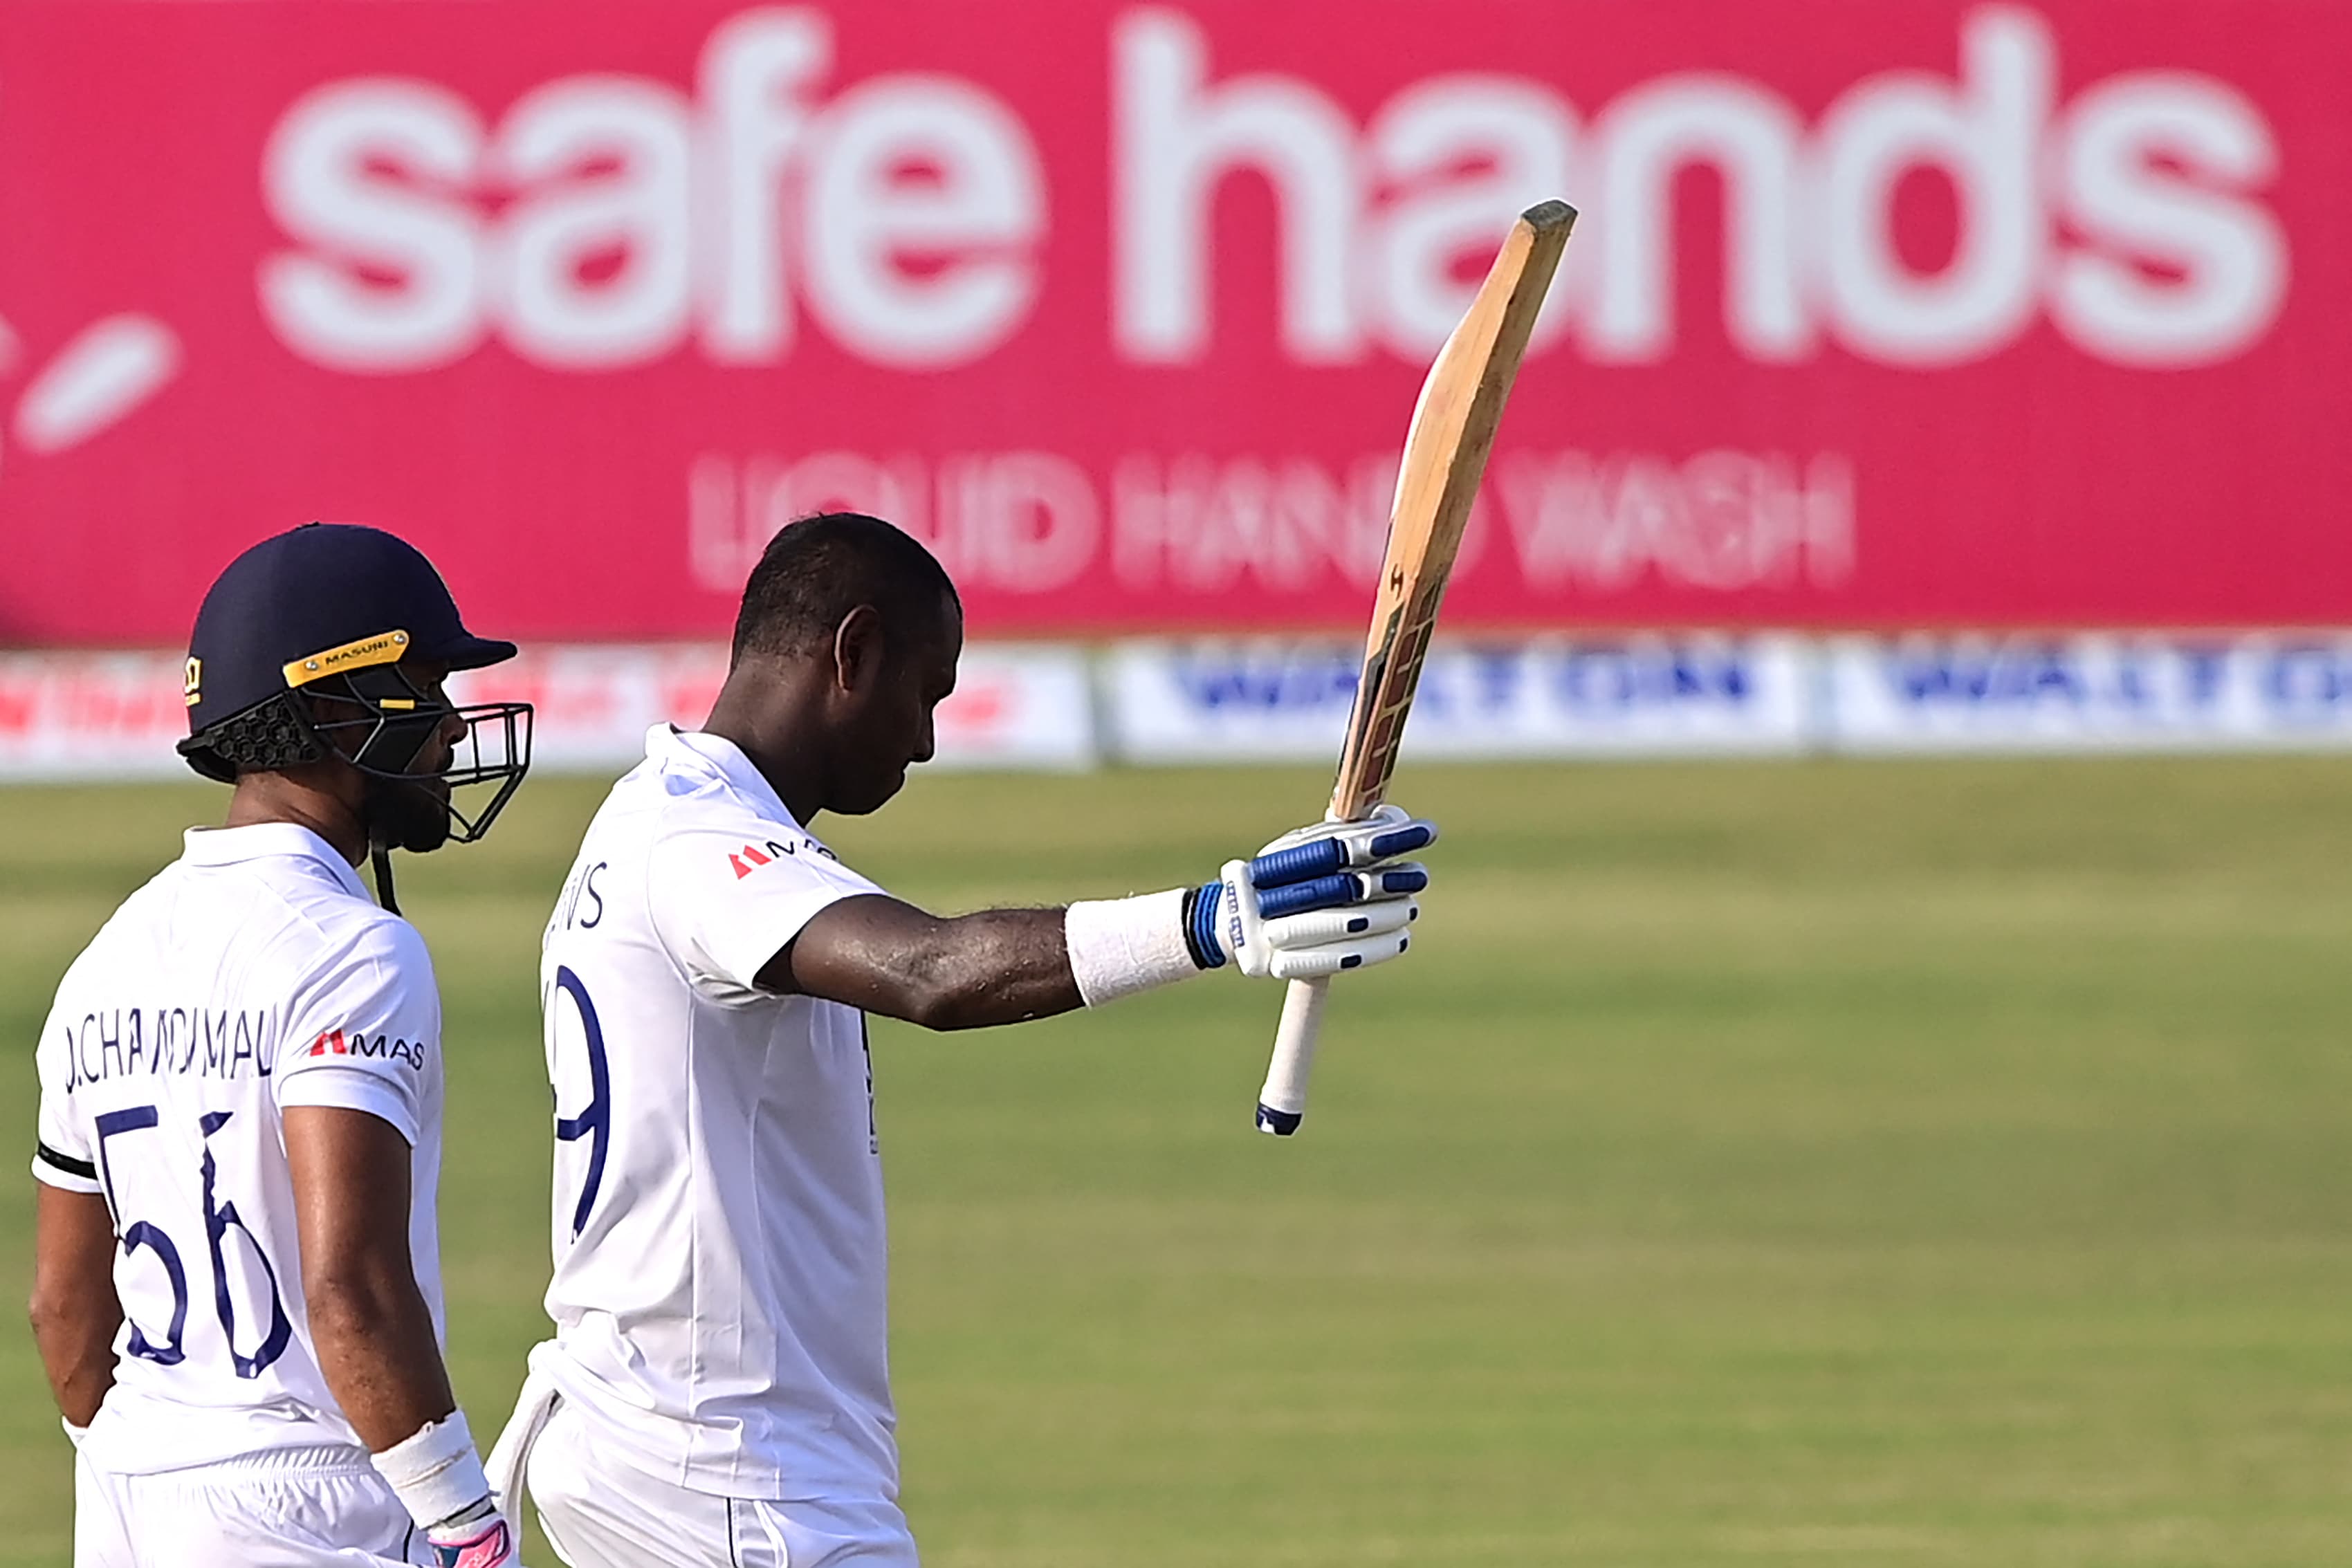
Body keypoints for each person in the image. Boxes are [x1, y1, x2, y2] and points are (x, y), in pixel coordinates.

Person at [493, 512, 1436, 1567]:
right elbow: (933, 972)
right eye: (925, 693)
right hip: (733, 1476)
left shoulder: (650, 816)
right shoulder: (698, 846)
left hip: (661, 1444)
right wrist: (1216, 921)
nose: (928, 741)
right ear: (853, 653)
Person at [28, 523, 536, 1567]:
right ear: (334, 704)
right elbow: (350, 1290)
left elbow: (64, 1313)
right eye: (425, 692)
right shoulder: (353, 951)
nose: (446, 732)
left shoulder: (105, 960)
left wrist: (154, 1467)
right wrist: (467, 1526)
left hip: (128, 1504)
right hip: (318, 1512)